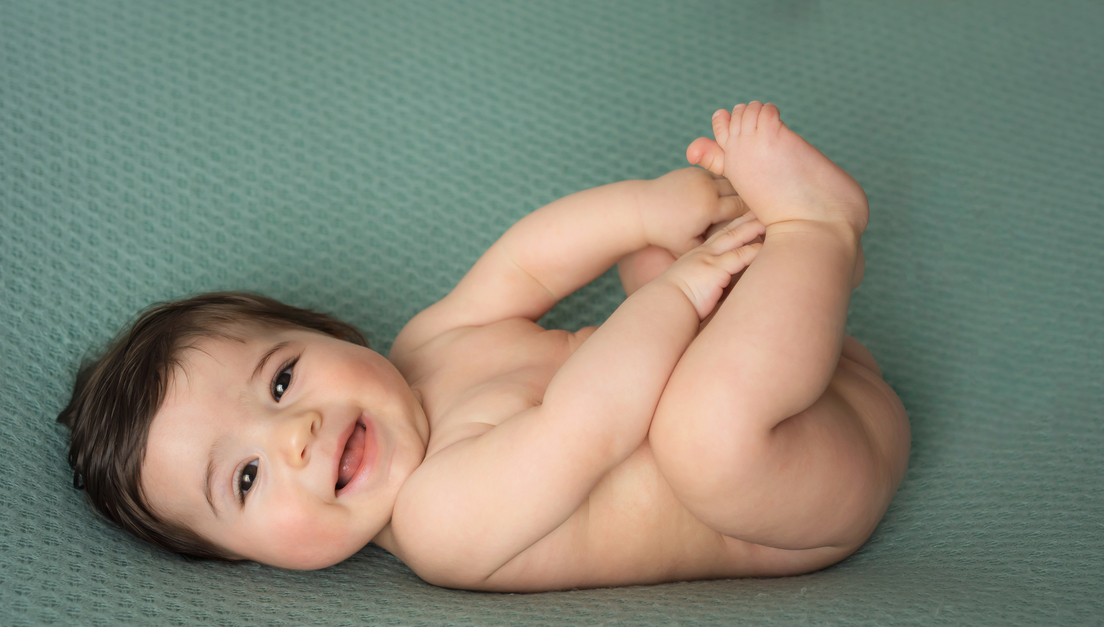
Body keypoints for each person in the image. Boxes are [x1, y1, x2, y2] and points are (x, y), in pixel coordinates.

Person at [59, 102, 911, 592]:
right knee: (700, 433)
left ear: (327, 331)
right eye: (246, 480)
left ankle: (796, 275)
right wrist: (682, 291)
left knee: (652, 252)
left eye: (281, 381)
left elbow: (526, 262)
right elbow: (590, 420)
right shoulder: (438, 521)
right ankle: (819, 234)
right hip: (801, 494)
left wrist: (644, 211)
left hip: (791, 383)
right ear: (255, 561)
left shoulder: (429, 343)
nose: (295, 437)